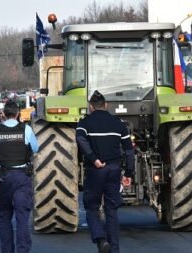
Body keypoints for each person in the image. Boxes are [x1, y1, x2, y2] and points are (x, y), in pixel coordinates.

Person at [76, 90, 134, 253]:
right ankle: (114, 249)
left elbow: (80, 139)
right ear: (106, 105)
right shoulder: (118, 123)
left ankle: (101, 241)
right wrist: (128, 173)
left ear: (90, 107)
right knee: (111, 209)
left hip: (95, 171)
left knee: (92, 207)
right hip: (114, 170)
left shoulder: (84, 123)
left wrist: (93, 158)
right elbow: (129, 150)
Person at [0, 101, 39, 253]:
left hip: (3, 180)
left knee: (4, 218)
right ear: (18, 114)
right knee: (22, 220)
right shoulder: (26, 130)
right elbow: (36, 148)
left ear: (3, 115)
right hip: (22, 178)